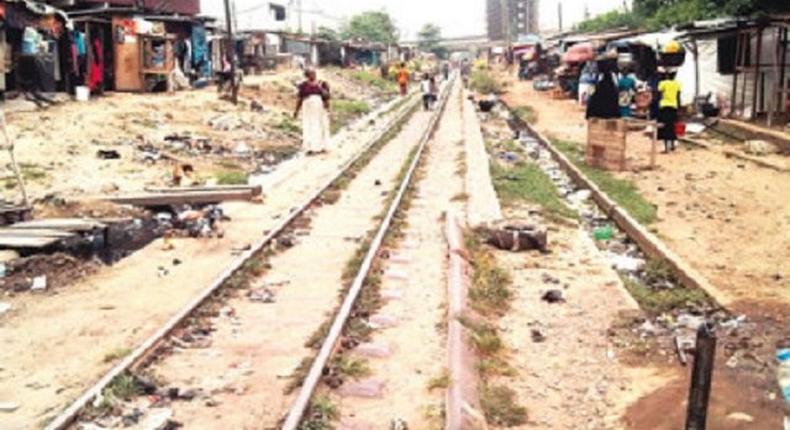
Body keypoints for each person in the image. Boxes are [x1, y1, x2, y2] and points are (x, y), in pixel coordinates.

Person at [294, 69, 331, 155]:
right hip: (308, 108)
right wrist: (296, 110)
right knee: (309, 126)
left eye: (313, 73)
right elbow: (300, 98)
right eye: (310, 74)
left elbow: (326, 97)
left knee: (320, 125)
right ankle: (310, 147)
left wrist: (327, 107)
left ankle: (322, 146)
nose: (312, 75)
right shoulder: (303, 85)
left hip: (319, 108)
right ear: (306, 76)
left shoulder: (322, 83)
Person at [658, 70, 681, 152]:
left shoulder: (663, 84)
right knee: (672, 126)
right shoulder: (677, 84)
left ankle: (666, 147)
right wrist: (679, 108)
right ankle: (673, 144)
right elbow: (678, 97)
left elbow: (660, 95)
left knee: (665, 127)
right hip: (673, 106)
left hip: (664, 106)